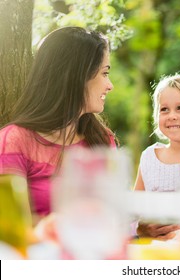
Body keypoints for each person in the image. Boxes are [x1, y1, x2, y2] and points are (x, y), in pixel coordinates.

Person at [0, 26, 116, 226]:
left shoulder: (102, 140)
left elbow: (113, 215)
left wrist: (140, 229)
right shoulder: (14, 141)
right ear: (77, 75)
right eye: (104, 73)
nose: (110, 85)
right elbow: (10, 227)